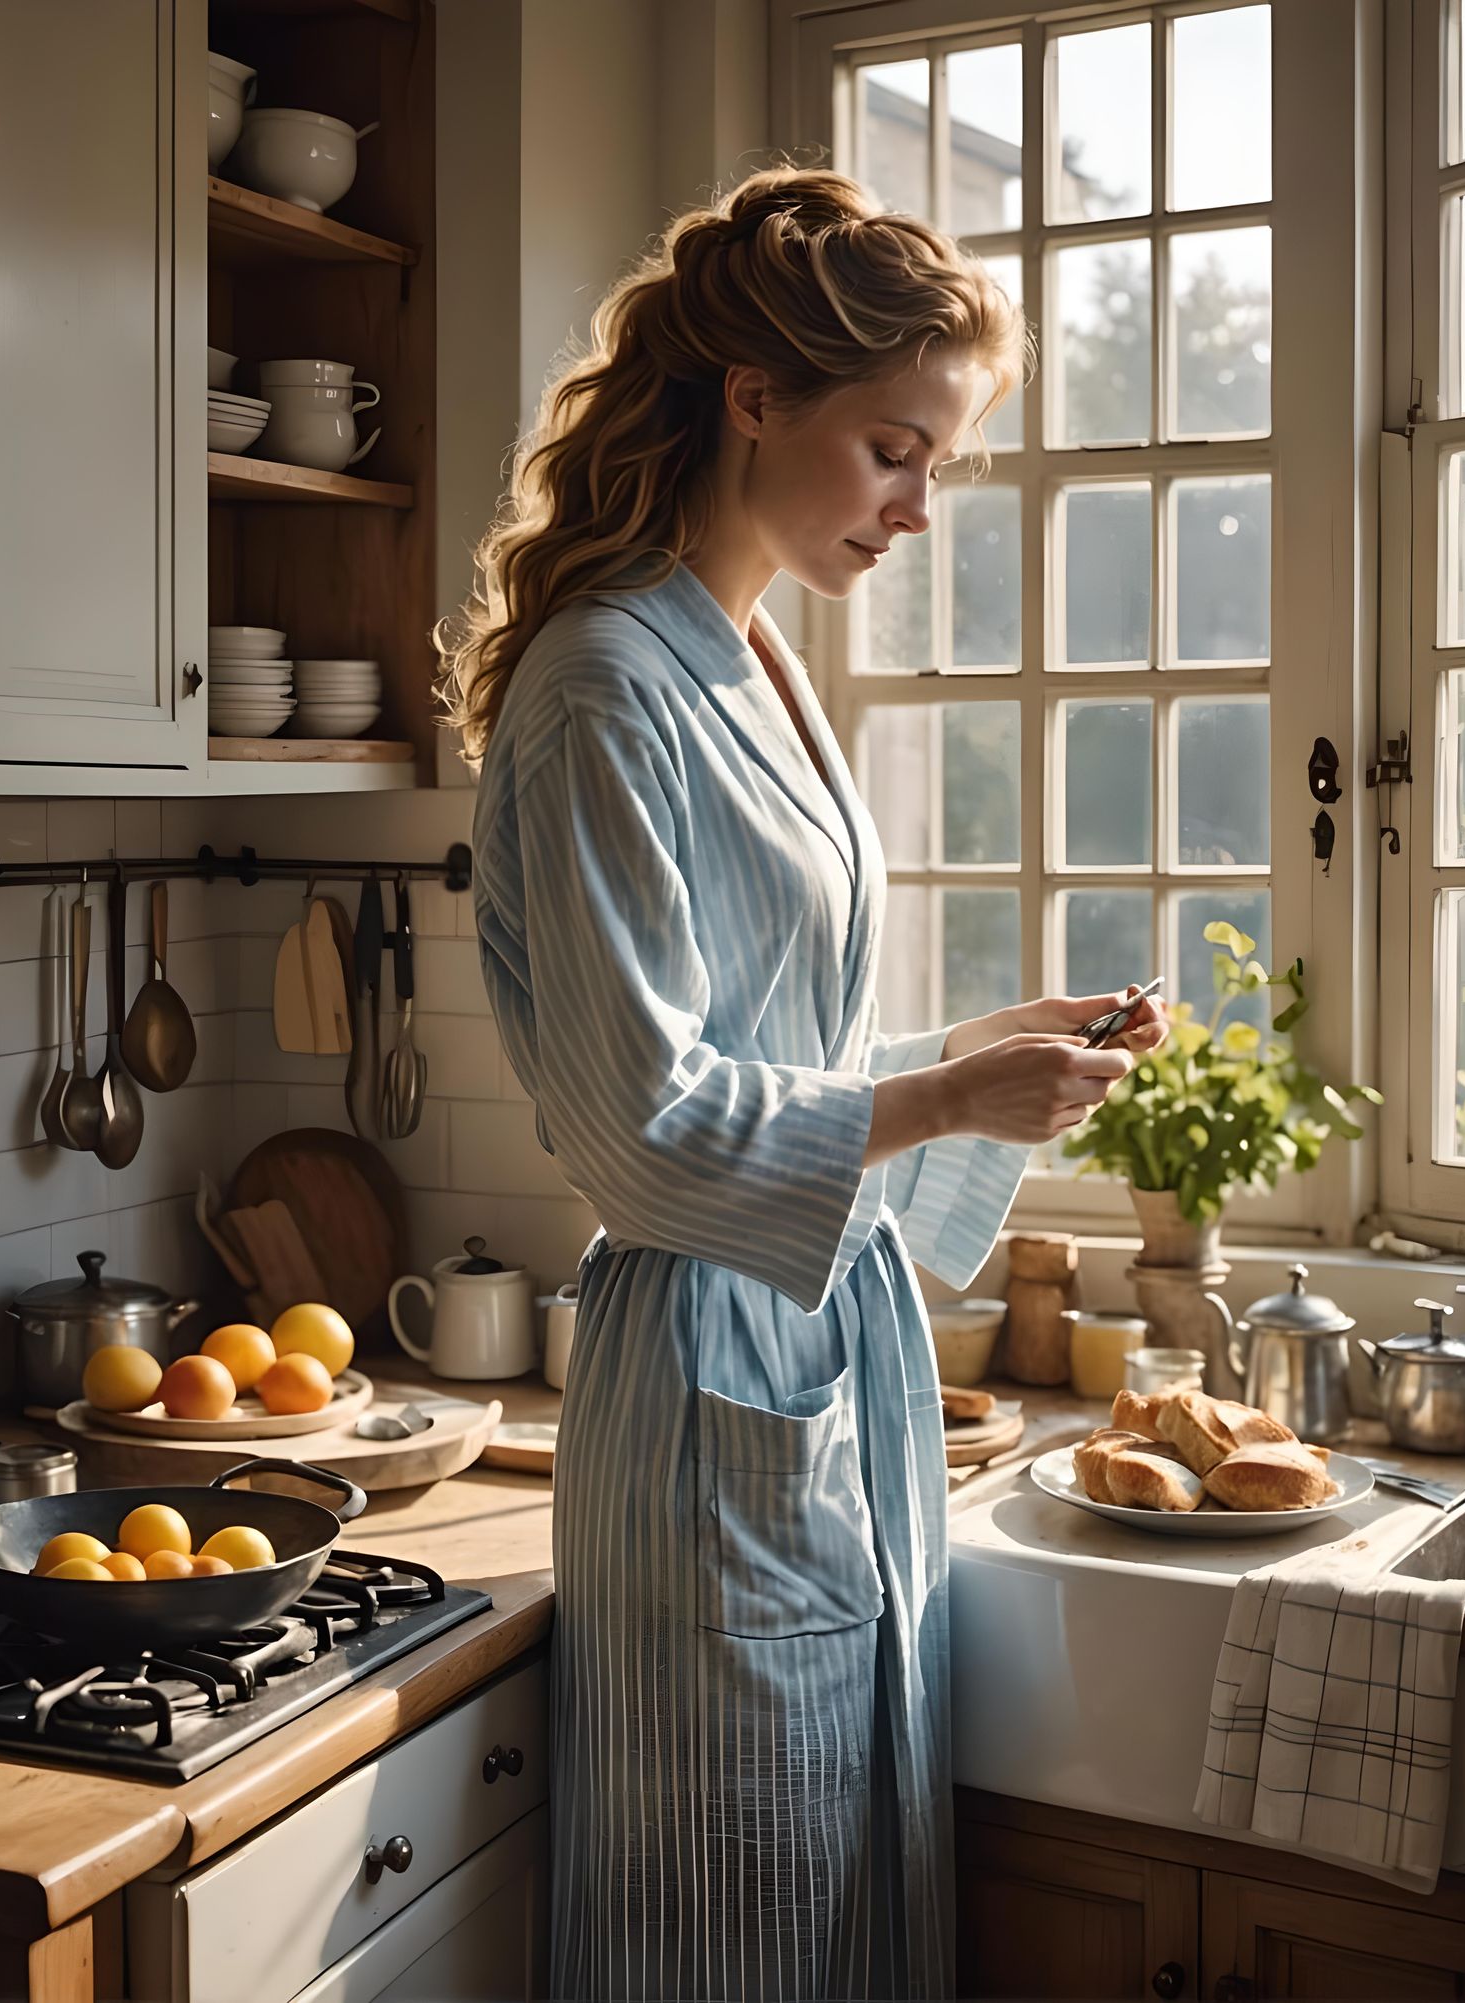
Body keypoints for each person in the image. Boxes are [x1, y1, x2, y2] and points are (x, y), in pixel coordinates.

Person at [438, 166, 1169, 2003]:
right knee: (731, 1930)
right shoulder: (609, 684)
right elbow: (646, 1129)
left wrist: (978, 1056)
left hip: (804, 1379)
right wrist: (938, 1110)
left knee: (830, 1905)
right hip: (702, 1404)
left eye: (941, 466)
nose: (920, 509)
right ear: (755, 399)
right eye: (896, 452)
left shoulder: (753, 656)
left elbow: (773, 1058)